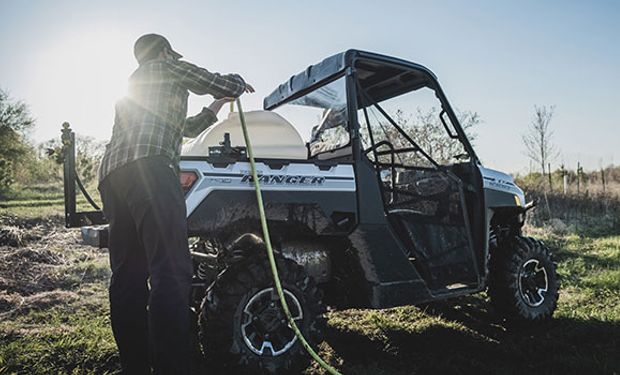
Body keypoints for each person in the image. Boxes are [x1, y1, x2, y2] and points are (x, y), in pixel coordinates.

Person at [98, 33, 253, 375]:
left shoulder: (136, 84)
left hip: (112, 176)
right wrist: (236, 84)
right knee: (170, 270)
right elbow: (213, 81)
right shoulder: (168, 68)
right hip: (150, 170)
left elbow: (187, 126)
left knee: (129, 274)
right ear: (165, 52)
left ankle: (134, 367)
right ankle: (172, 366)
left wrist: (215, 106)